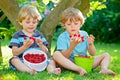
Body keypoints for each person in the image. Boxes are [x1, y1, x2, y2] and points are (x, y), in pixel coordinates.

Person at [52, 7, 116, 76]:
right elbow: (65, 56)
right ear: (64, 25)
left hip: (84, 61)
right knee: (56, 54)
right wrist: (72, 46)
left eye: (76, 24)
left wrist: (91, 44)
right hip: (70, 63)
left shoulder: (84, 34)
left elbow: (93, 53)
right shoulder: (63, 37)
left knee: (106, 55)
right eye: (69, 24)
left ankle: (104, 69)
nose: (72, 27)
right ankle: (78, 69)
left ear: (81, 23)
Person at [9, 5, 60, 75]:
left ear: (37, 22)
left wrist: (41, 45)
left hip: (39, 61)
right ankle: (29, 70)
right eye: (28, 22)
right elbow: (14, 53)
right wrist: (25, 46)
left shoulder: (39, 35)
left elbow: (46, 51)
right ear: (21, 22)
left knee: (51, 61)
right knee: (14, 60)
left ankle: (52, 70)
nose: (31, 25)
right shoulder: (17, 36)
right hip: (23, 61)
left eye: (34, 22)